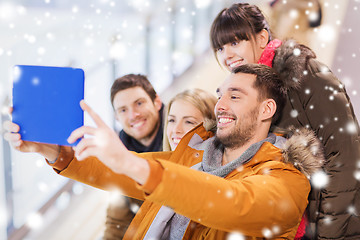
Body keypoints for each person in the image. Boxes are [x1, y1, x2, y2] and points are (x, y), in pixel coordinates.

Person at [4, 64, 324, 239]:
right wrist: (53, 151)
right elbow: (117, 171)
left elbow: (235, 203)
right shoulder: (199, 155)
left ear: (267, 108)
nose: (221, 105)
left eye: (235, 96)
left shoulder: (288, 178)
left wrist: (136, 166)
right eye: (219, 94)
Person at [209, 3, 360, 239]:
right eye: (219, 48)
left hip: (329, 224)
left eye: (235, 43)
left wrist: (330, 232)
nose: (226, 55)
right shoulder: (249, 91)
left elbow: (344, 154)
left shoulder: (305, 74)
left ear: (262, 38)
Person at [105, 74, 164, 239]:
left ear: (157, 102)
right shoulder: (119, 156)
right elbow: (117, 222)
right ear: (117, 117)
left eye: (139, 103)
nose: (133, 115)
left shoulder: (183, 131)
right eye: (123, 110)